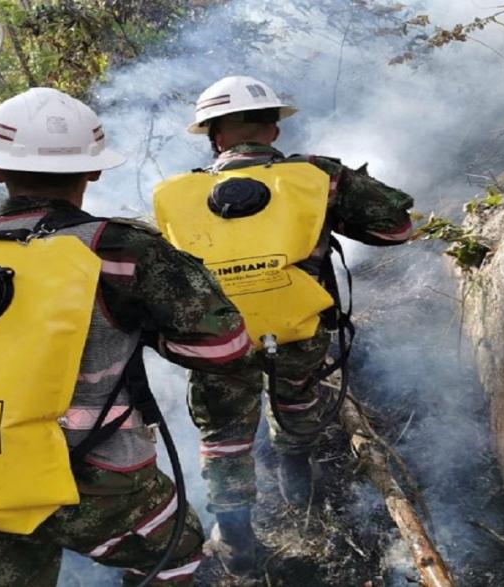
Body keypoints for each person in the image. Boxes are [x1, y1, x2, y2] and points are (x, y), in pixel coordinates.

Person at [0, 88, 254, 586]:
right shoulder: (118, 249)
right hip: (94, 483)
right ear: (93, 171)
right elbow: (224, 346)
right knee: (178, 552)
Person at [153, 75, 415, 578]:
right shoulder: (317, 176)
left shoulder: (175, 194)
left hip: (218, 340)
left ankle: (235, 541)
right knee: (297, 399)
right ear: (274, 129)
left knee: (224, 433)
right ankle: (297, 478)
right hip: (298, 329)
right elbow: (396, 228)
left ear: (214, 137)